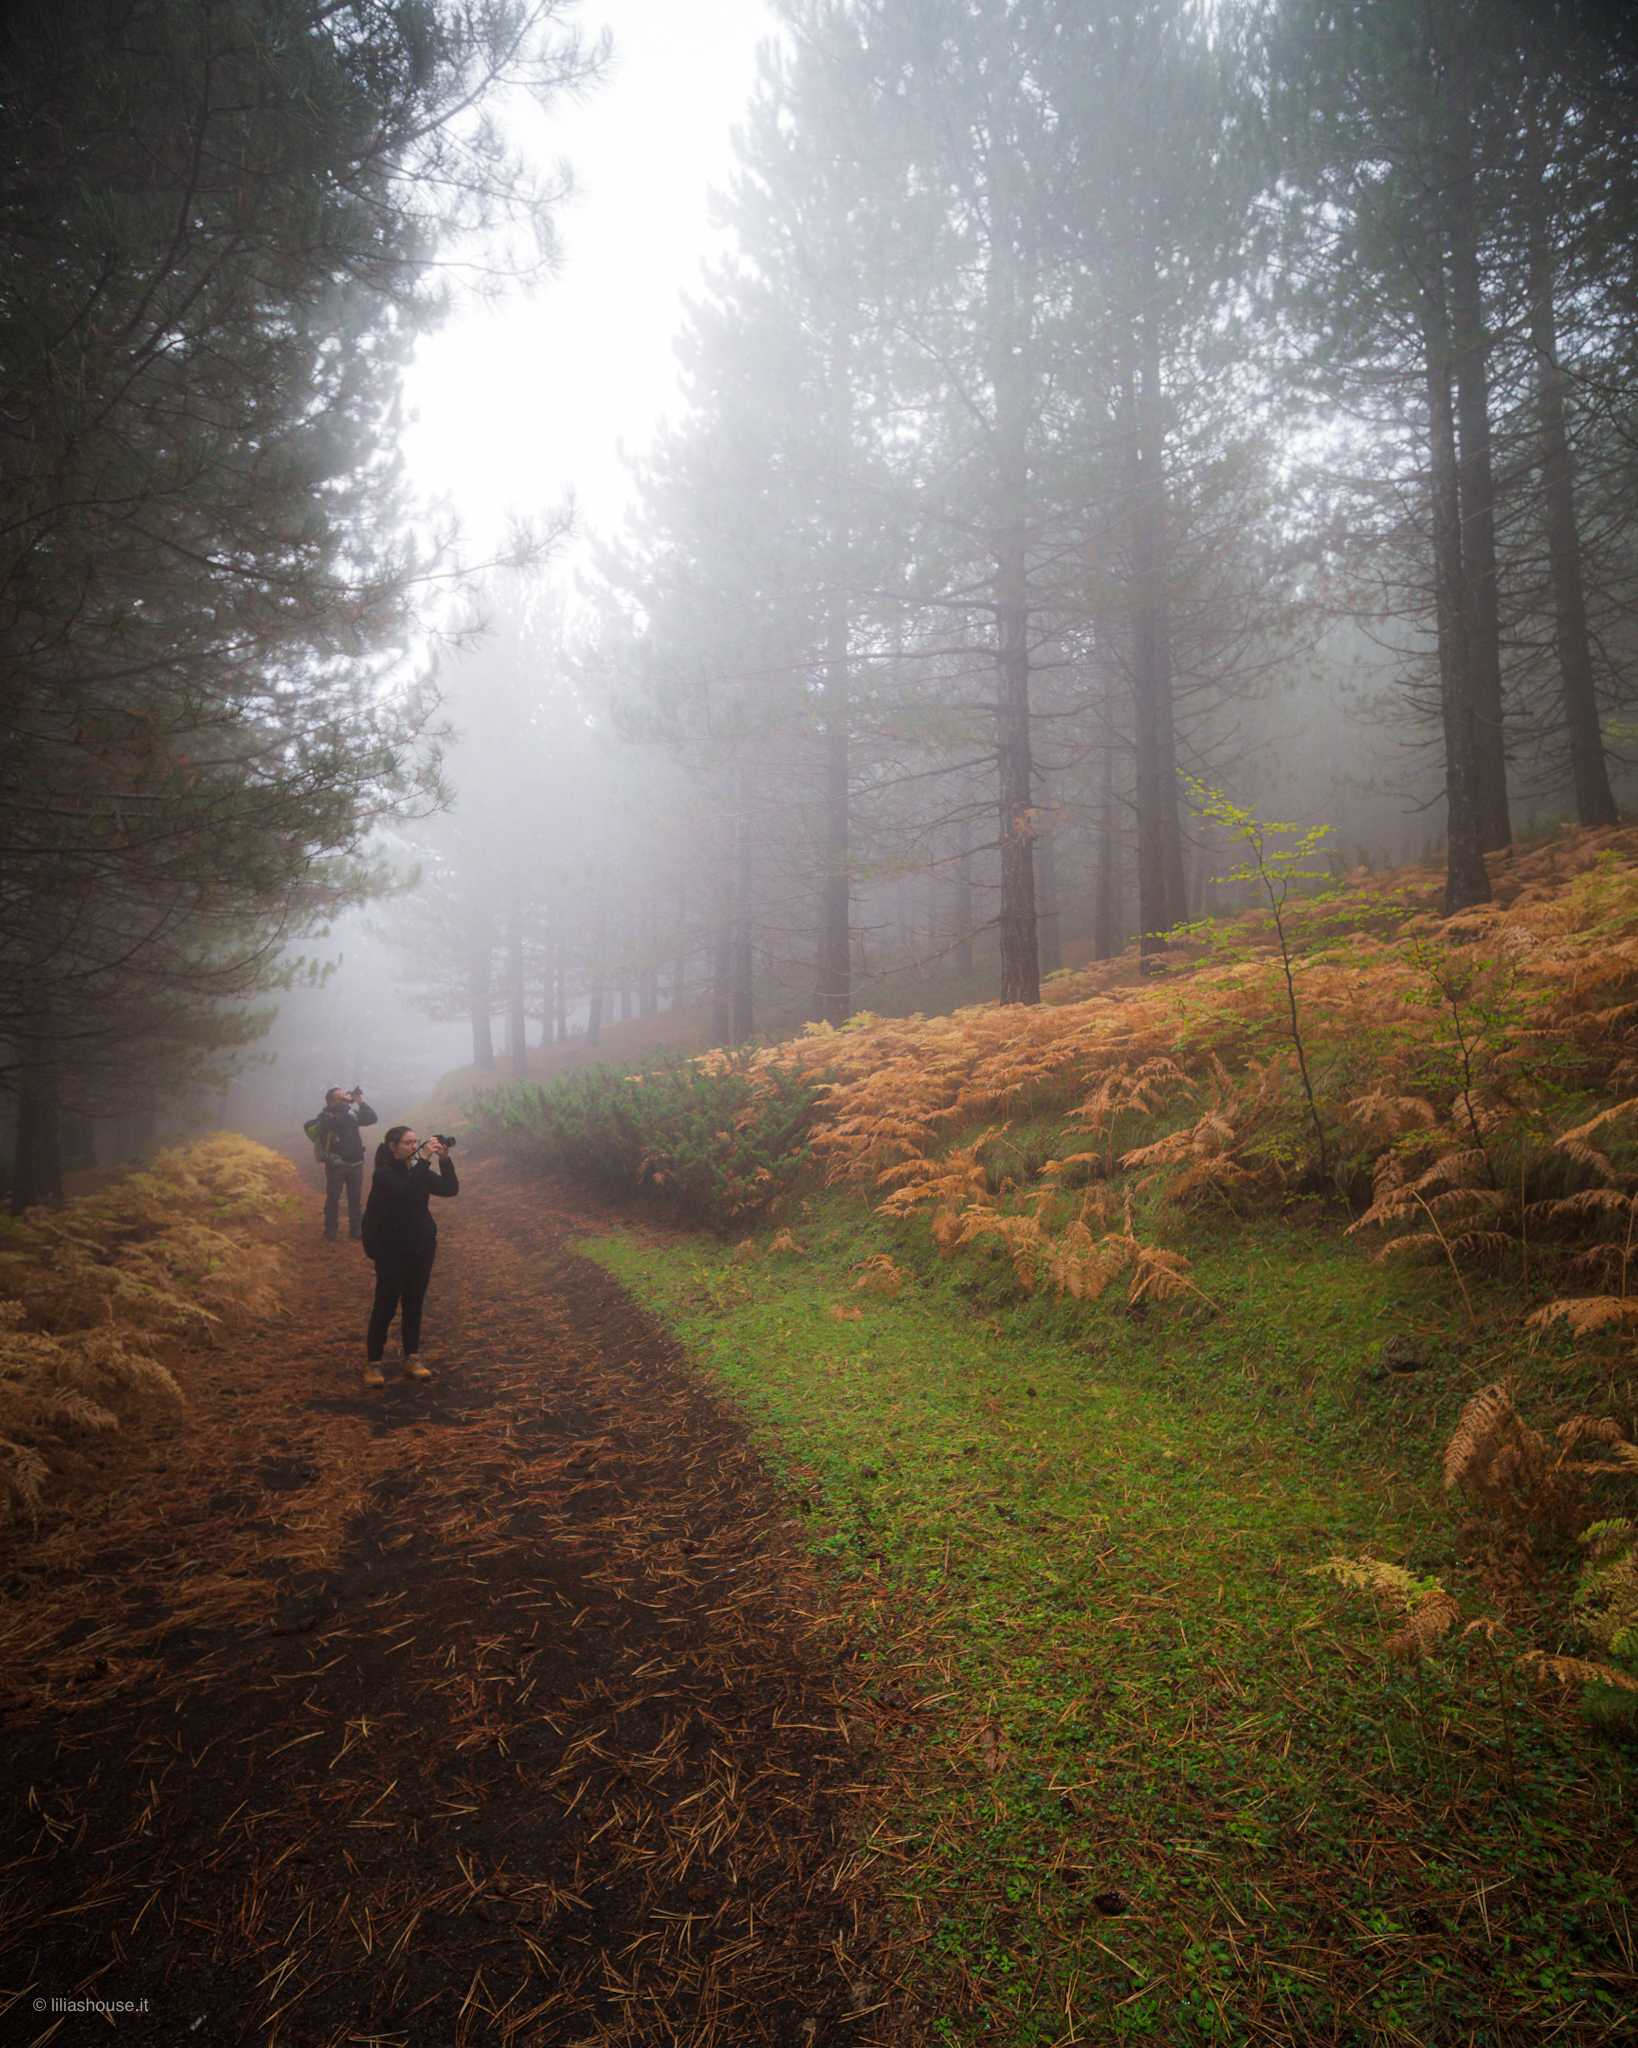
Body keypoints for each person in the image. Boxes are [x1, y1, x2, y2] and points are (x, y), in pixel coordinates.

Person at [358, 1126, 458, 1388]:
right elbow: (404, 1192)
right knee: (386, 1306)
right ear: (392, 1146)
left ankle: (412, 1358)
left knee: (414, 1305)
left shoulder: (418, 1170)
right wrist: (423, 1160)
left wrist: (444, 1161)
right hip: (392, 1250)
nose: (414, 1146)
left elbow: (449, 1189)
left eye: (416, 1142)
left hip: (422, 1247)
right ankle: (373, 1363)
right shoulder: (384, 1174)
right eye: (407, 1143)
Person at [314, 1085, 377, 1241]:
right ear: (330, 1101)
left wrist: (360, 1102)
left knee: (355, 1199)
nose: (345, 1100)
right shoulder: (325, 1116)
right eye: (340, 1097)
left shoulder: (350, 1114)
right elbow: (336, 1123)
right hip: (337, 1165)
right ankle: (331, 1229)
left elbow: (372, 1118)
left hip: (356, 1163)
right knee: (333, 1198)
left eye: (344, 1096)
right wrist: (344, 1105)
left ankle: (356, 1229)